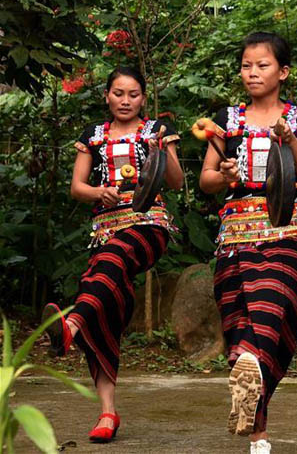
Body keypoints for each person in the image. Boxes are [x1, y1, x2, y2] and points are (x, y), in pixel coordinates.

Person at [43, 66, 183, 443]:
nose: (125, 100)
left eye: (133, 94)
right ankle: (107, 413)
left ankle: (69, 326)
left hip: (148, 226)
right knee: (104, 298)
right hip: (107, 230)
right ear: (107, 96)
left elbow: (176, 182)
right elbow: (77, 187)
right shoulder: (93, 136)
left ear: (143, 97)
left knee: (112, 263)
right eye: (118, 93)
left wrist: (162, 150)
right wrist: (97, 193)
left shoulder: (156, 132)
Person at [199, 32, 297, 454]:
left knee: (274, 309)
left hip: (286, 226)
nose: (252, 72)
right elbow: (207, 180)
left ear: (283, 72)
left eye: (263, 65)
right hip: (235, 232)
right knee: (239, 321)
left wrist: (288, 138)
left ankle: (250, 368)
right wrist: (228, 176)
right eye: (247, 65)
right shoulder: (226, 119)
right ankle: (259, 439)